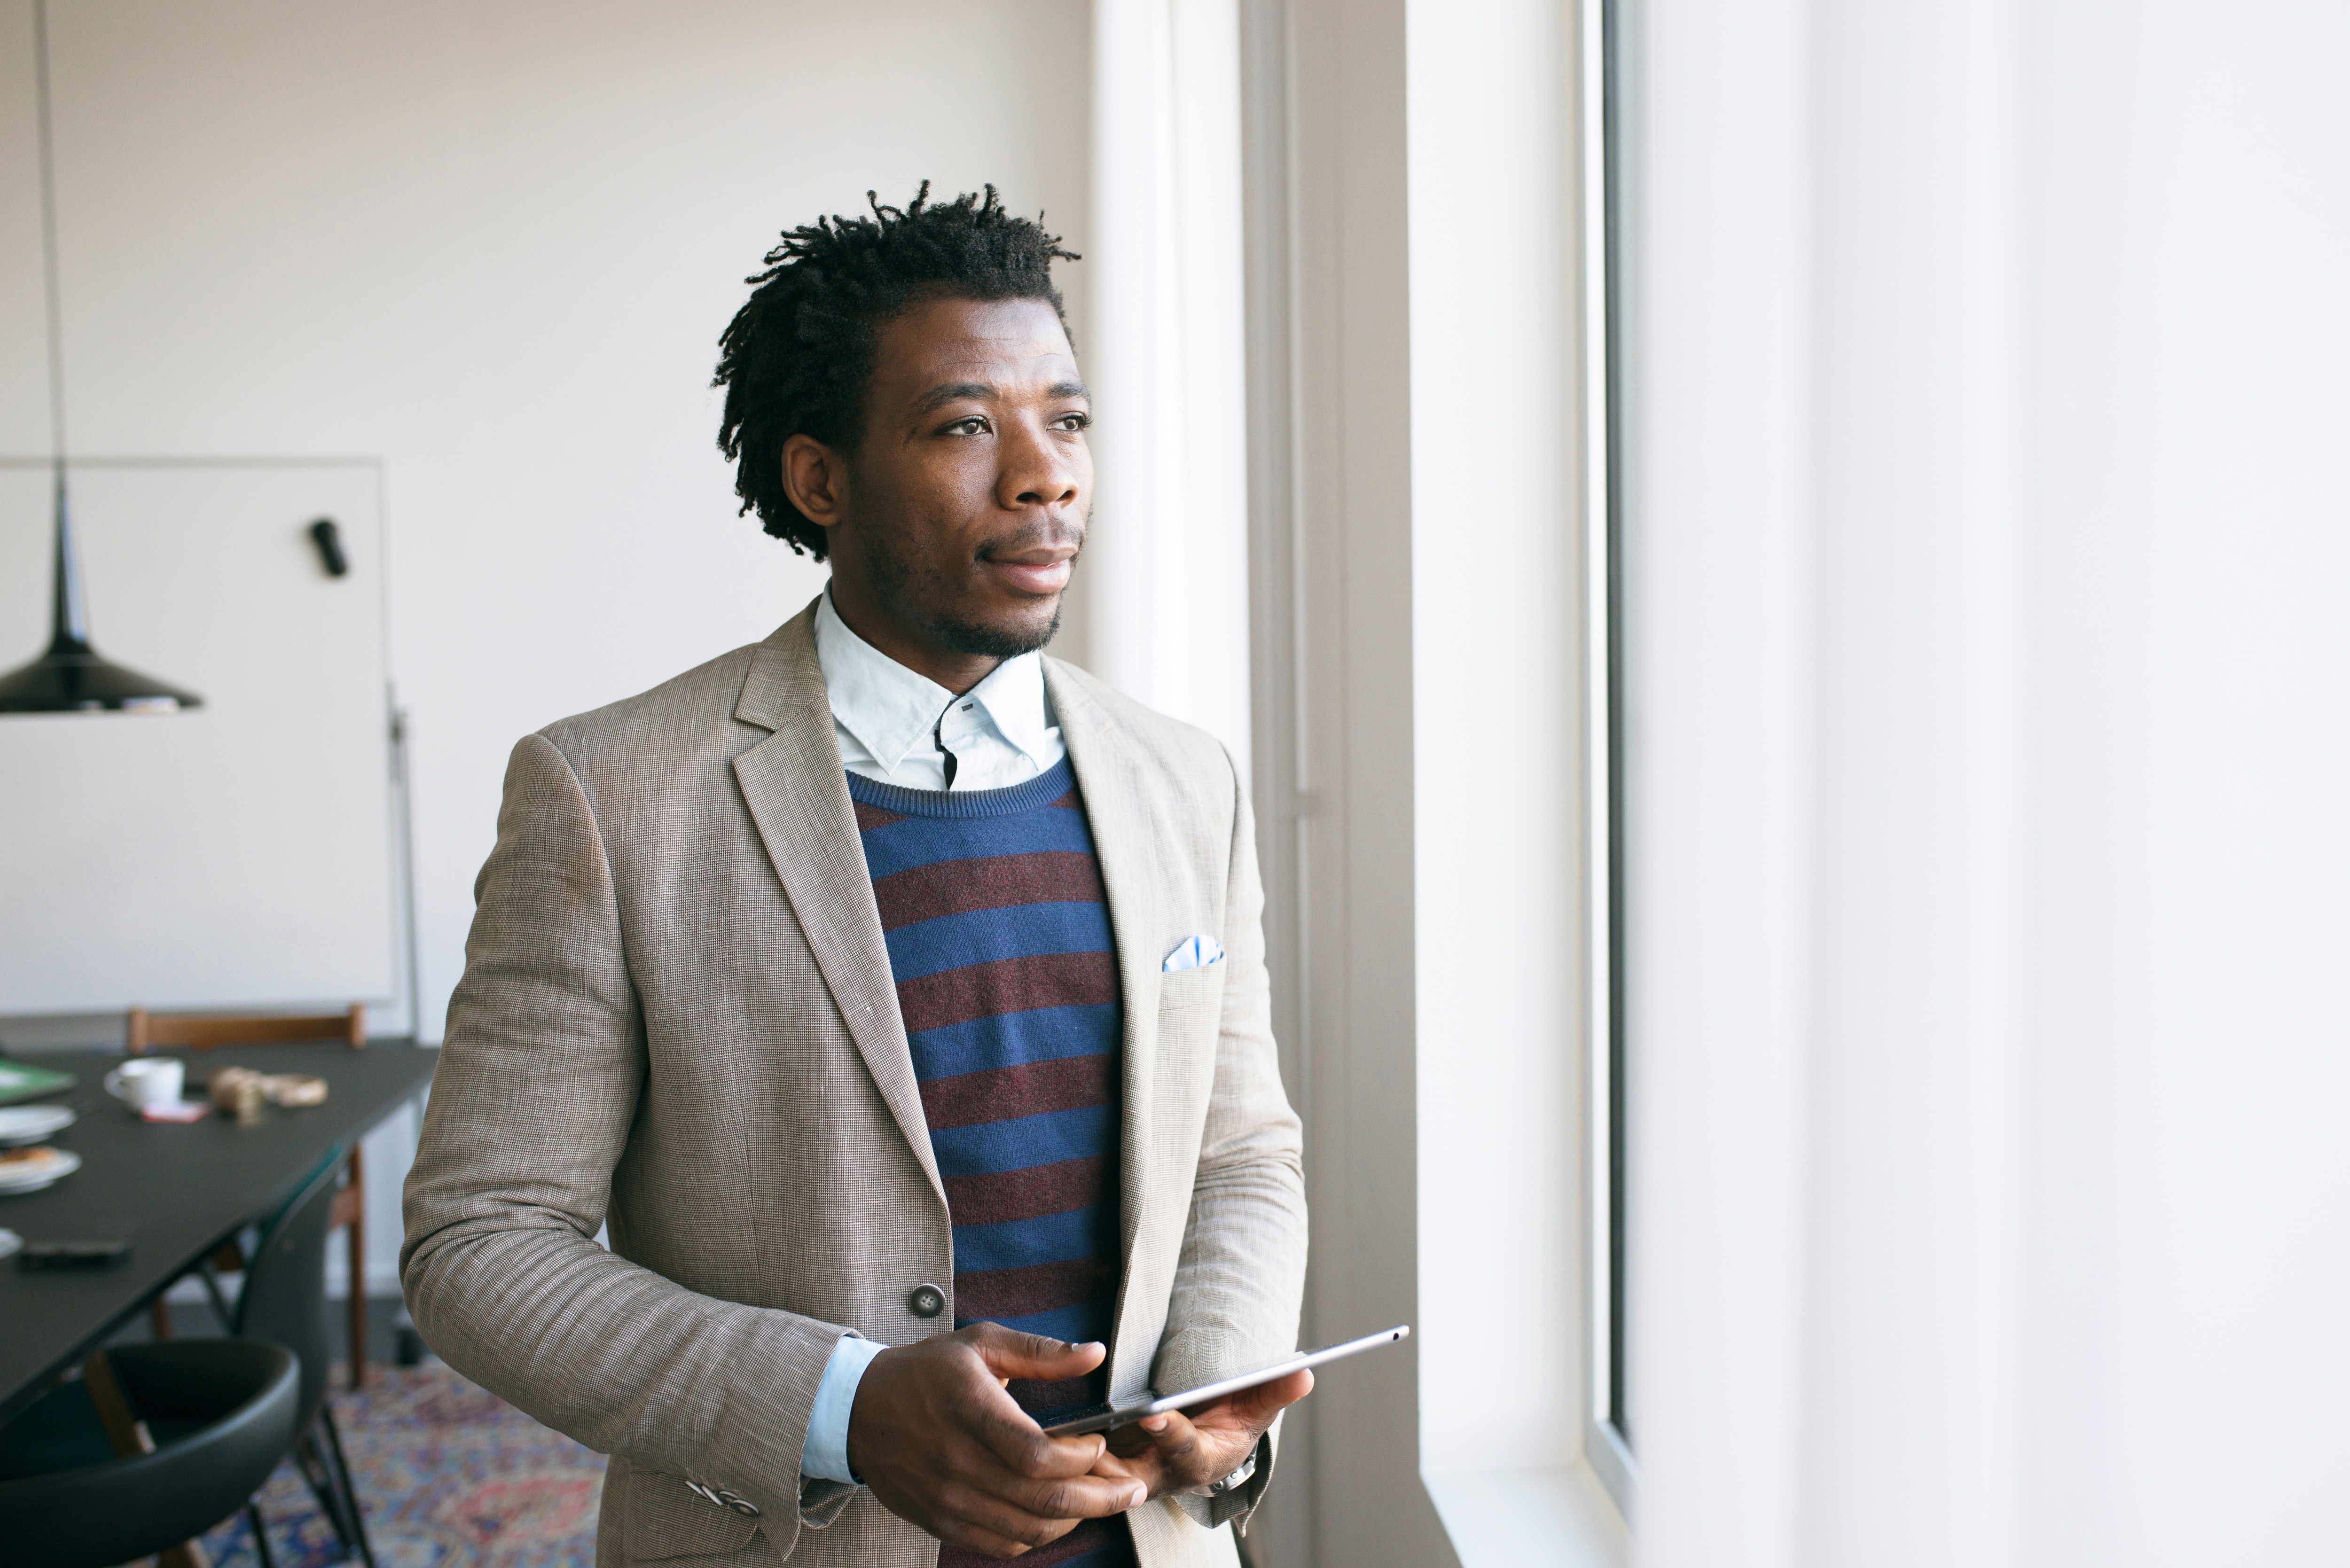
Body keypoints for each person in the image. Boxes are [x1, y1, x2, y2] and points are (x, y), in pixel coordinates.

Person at [401, 186, 1310, 1568]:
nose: (1043, 474)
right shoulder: (609, 796)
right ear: (821, 479)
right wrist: (842, 1406)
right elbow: (480, 1242)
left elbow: (1242, 1154)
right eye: (964, 426)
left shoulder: (1186, 779)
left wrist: (1216, 1391)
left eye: (1065, 420)